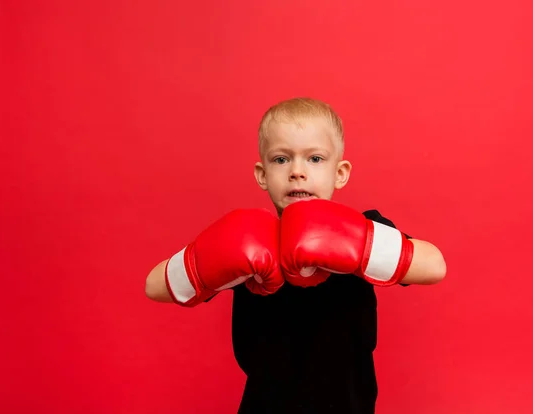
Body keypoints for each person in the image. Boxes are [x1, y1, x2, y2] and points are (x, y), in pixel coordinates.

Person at [145, 97, 447, 413]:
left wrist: (358, 246)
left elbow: (435, 265)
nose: (297, 172)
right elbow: (154, 287)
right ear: (262, 174)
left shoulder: (367, 229)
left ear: (340, 173)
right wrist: (210, 259)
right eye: (281, 160)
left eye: (315, 159)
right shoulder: (249, 240)